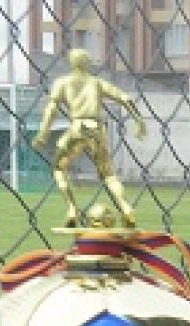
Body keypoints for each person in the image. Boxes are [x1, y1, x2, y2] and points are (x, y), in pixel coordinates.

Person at [33, 48, 147, 228]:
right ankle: (126, 208)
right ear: (88, 63)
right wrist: (139, 121)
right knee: (108, 174)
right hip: (96, 127)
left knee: (59, 169)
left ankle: (72, 209)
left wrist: (43, 132)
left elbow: (51, 108)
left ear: (71, 62)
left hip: (77, 127)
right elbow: (125, 98)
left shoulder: (62, 82)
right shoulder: (96, 83)